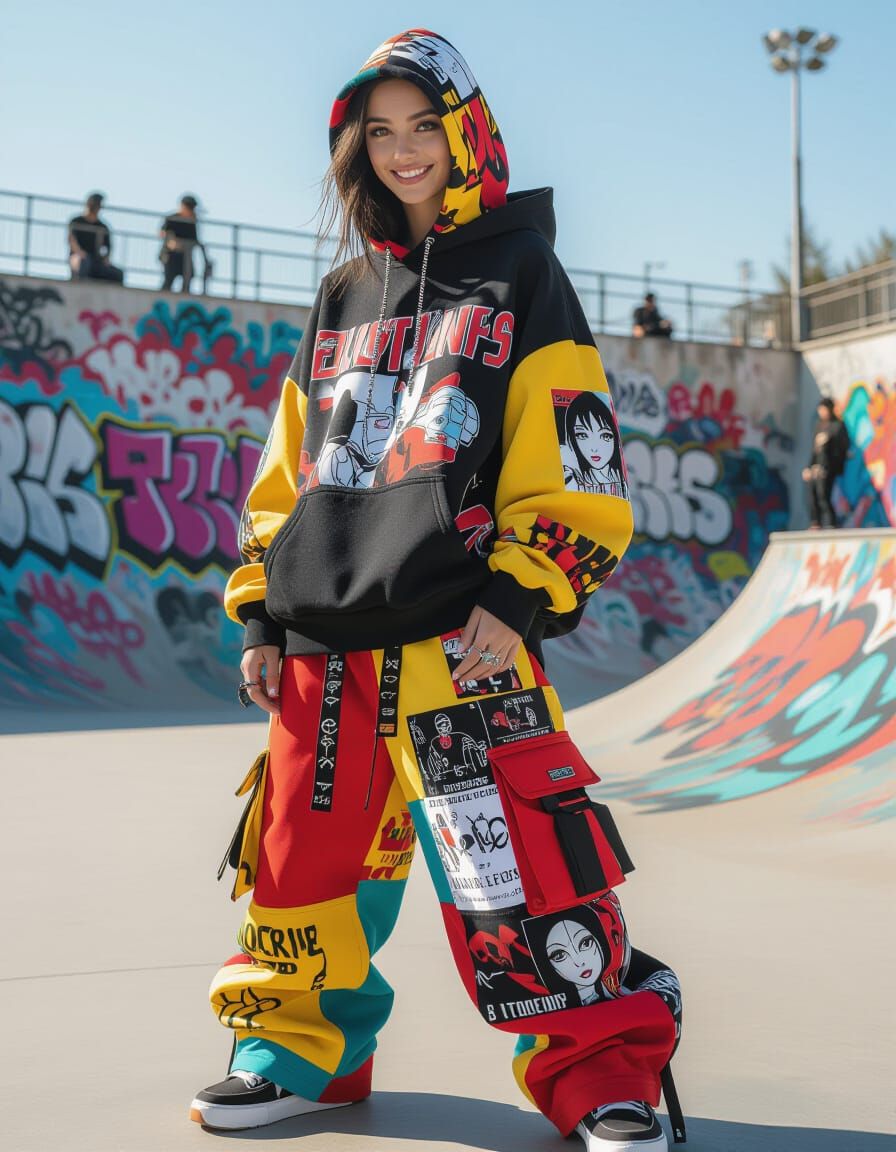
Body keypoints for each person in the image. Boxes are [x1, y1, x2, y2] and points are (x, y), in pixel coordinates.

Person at [191, 30, 683, 1152]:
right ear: (354, 147)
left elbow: (571, 444)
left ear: (467, 132)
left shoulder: (521, 273)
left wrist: (521, 593)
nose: (403, 150)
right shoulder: (342, 293)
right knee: (300, 874)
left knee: (524, 876)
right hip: (324, 653)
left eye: (424, 125)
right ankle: (294, 1055)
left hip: (462, 647)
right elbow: (291, 464)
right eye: (379, 132)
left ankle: (597, 1072)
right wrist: (261, 608)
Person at [802, 397, 849, 528]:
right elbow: (814, 450)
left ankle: (831, 522)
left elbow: (842, 450)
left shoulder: (838, 426)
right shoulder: (819, 425)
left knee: (823, 494)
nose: (822, 413)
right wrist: (809, 467)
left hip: (828, 468)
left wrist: (829, 440)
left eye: (824, 410)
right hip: (816, 466)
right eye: (820, 410)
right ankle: (815, 522)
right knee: (812, 494)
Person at [67, 192, 124, 283]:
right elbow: (71, 241)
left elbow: (108, 247)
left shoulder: (103, 227)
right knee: (84, 263)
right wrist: (80, 253)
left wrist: (105, 259)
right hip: (80, 259)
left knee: (118, 274)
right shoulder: (76, 221)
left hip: (96, 261)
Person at [159, 194, 210, 292]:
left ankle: (184, 294)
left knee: (189, 276)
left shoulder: (191, 222)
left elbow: (194, 239)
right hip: (170, 255)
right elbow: (162, 233)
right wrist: (171, 241)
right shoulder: (173, 218)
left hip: (185, 256)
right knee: (169, 278)